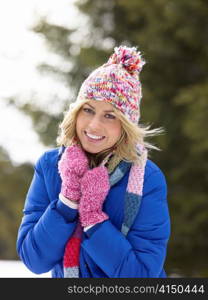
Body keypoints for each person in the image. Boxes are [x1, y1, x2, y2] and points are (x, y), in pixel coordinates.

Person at [16, 45, 171, 278]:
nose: (93, 125)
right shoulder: (50, 166)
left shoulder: (146, 178)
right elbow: (34, 260)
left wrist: (93, 219)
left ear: (125, 126)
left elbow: (141, 276)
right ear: (76, 112)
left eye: (110, 115)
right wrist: (67, 202)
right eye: (88, 110)